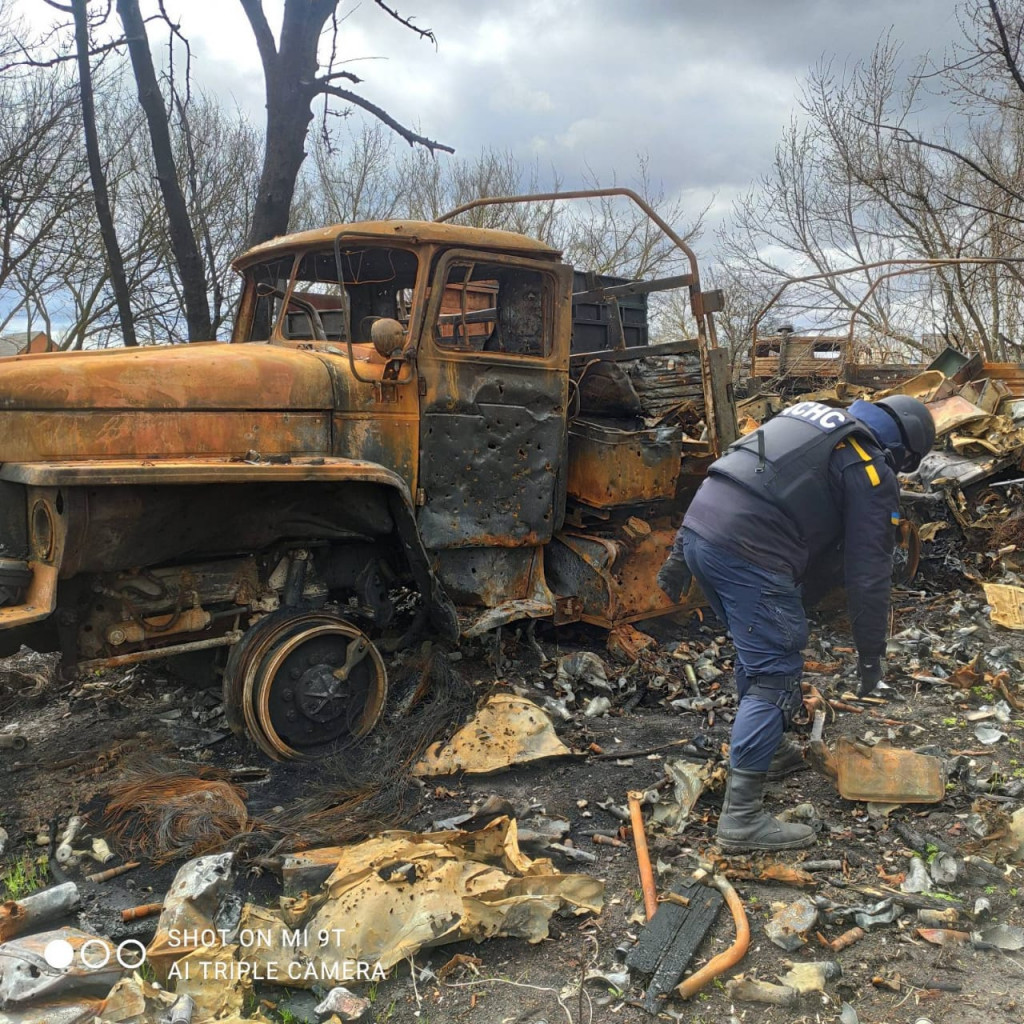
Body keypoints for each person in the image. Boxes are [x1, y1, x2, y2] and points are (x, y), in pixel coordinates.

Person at [657, 395, 936, 851]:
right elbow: (868, 573)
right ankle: (742, 818)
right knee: (775, 673)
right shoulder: (867, 466)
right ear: (903, 450)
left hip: (702, 534)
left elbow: (734, 468)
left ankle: (770, 754)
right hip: (748, 551)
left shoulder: (805, 418)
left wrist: (679, 553)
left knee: (759, 651)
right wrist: (871, 657)